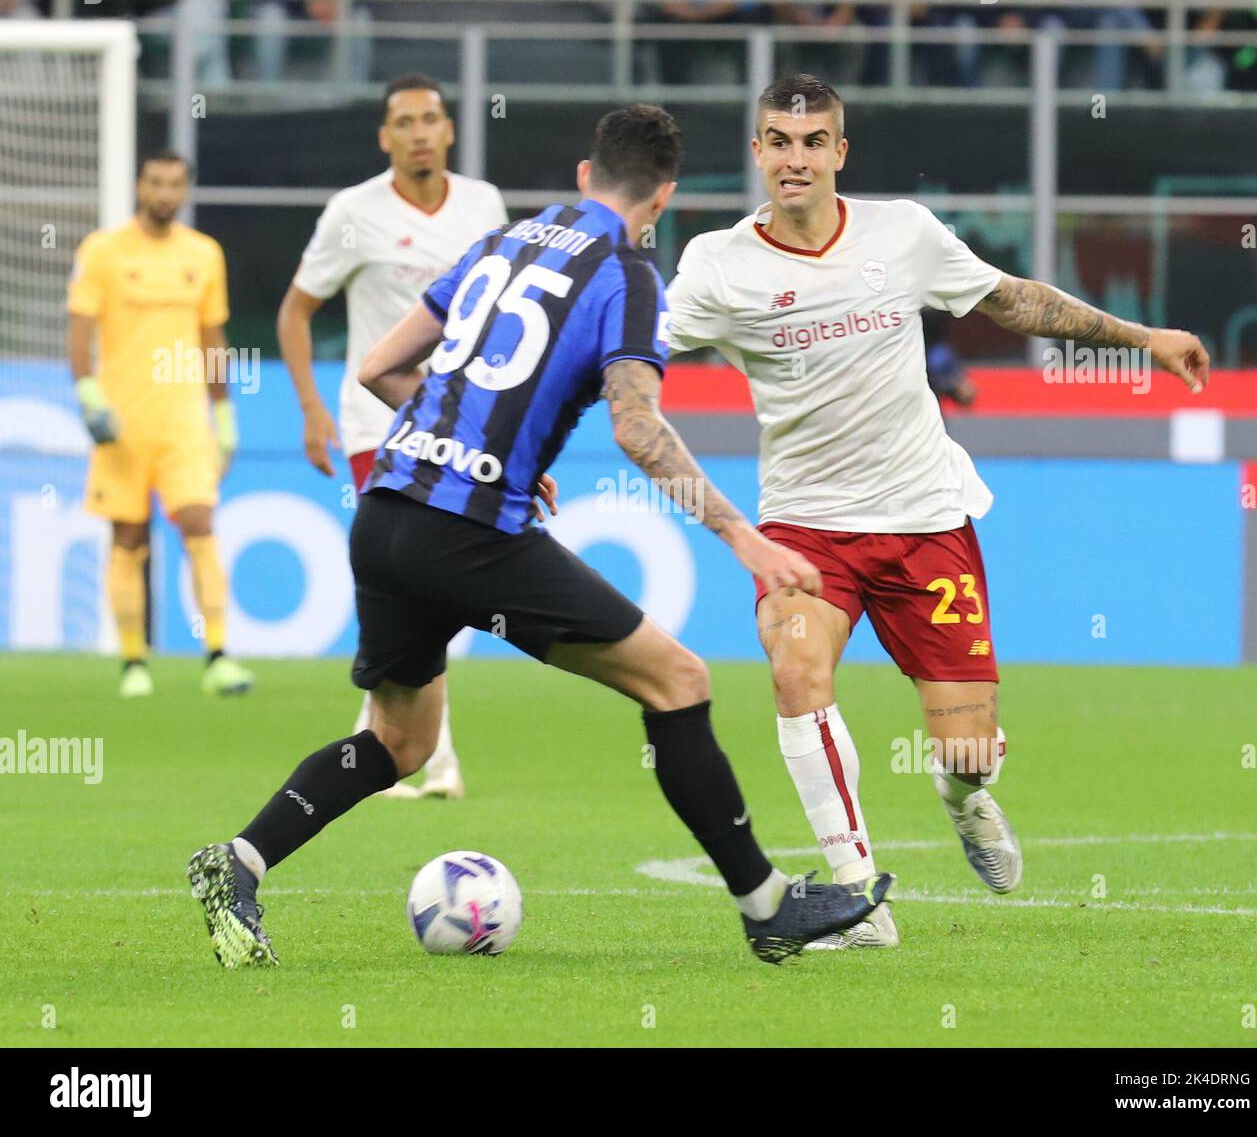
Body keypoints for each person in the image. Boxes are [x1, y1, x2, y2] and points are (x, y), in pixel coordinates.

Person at [187, 103, 893, 968]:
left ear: (585, 175)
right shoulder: (628, 274)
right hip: (468, 531)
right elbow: (637, 427)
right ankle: (766, 905)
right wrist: (747, 542)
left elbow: (375, 368)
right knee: (679, 681)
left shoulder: (503, 242)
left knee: (401, 742)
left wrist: (478, 443)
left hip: (386, 514)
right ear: (663, 196)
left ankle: (240, 862)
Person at [665, 75, 1211, 950]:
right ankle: (857, 902)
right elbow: (627, 354)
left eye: (814, 142)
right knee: (795, 671)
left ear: (840, 153)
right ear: (758, 151)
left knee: (967, 749)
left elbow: (1015, 301)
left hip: (925, 517)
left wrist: (1144, 339)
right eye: (779, 141)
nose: (795, 158)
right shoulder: (718, 265)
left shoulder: (904, 234)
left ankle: (964, 798)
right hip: (807, 525)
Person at [278, 74, 508, 800]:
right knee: (409, 568)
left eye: (429, 119)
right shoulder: (354, 211)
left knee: (437, 577)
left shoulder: (483, 205)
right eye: (403, 121)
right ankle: (414, 751)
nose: (417, 131)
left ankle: (406, 748)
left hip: (458, 418)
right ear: (385, 137)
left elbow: (498, 318)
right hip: (377, 414)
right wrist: (312, 408)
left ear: (447, 130)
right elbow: (294, 310)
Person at [68, 152, 255, 699]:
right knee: (127, 537)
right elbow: (80, 328)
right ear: (138, 186)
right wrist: (86, 391)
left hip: (184, 422)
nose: (164, 193)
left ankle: (218, 653)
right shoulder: (103, 251)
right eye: (155, 182)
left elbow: (212, 337)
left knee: (199, 525)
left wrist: (223, 413)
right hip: (123, 422)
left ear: (185, 191)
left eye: (175, 184)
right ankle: (133, 662)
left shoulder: (203, 254)